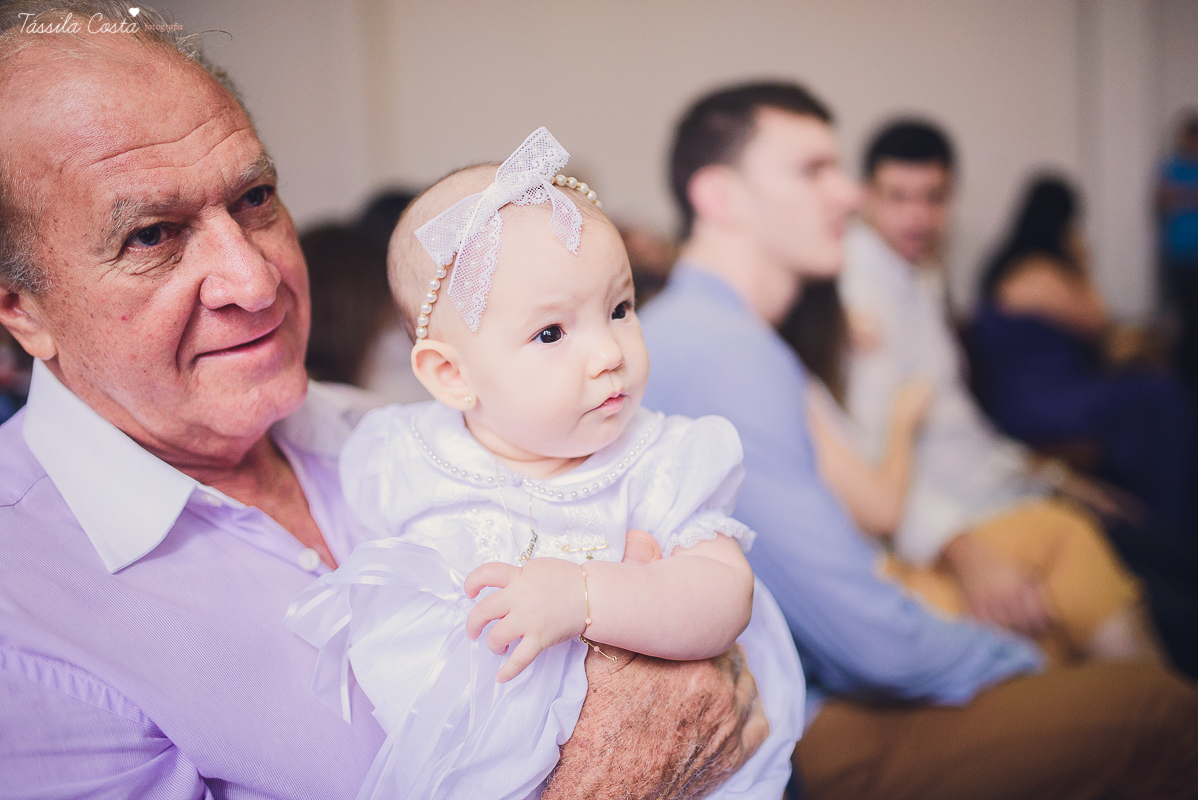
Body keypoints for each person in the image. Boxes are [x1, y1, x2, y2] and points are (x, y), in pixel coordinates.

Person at [0, 4, 768, 797]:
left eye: (255, 197)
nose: (256, 280)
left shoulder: (389, 432)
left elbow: (721, 653)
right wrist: (614, 779)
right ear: (21, 308)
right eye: (152, 236)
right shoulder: (21, 621)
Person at [640, 80, 1198, 800]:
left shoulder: (721, 333)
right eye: (812, 170)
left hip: (826, 679)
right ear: (719, 196)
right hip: (807, 730)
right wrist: (1020, 660)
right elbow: (872, 642)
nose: (846, 193)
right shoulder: (723, 352)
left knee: (1070, 563)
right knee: (1166, 711)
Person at [286, 128, 803, 799]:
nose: (609, 353)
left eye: (619, 309)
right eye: (552, 332)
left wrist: (586, 595)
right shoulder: (404, 456)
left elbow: (725, 596)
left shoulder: (657, 458)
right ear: (451, 375)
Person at [780, 280, 1160, 665]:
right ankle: (1151, 700)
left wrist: (1055, 477)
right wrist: (903, 421)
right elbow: (883, 510)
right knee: (1059, 584)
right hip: (875, 580)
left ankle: (1151, 697)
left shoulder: (888, 307)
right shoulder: (784, 372)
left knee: (1068, 536)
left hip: (933, 533)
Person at [975, 175, 1193, 533]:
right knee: (1161, 396)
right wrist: (1081, 262)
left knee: (1150, 389)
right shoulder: (1036, 271)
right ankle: (1171, 526)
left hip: (1049, 393)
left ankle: (1159, 518)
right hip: (1039, 403)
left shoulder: (1015, 266)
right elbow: (1100, 323)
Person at [1157, 112, 1198, 387]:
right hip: (1178, 256)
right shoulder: (1170, 166)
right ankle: (1183, 376)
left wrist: (1182, 195)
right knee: (1183, 318)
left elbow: (1174, 196)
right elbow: (1163, 200)